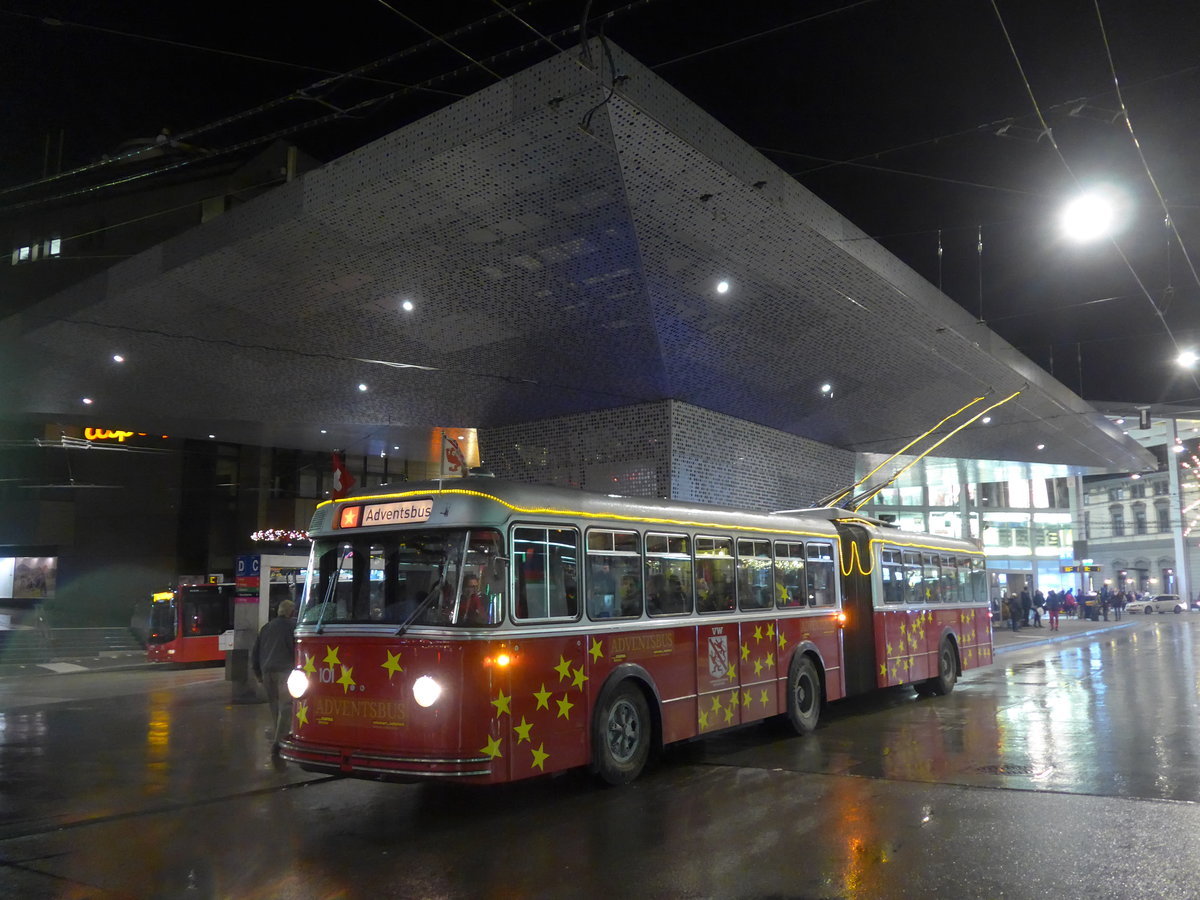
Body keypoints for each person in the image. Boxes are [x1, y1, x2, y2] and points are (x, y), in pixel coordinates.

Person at [252, 598, 296, 766]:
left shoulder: (266, 628)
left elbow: (256, 651)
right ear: (291, 612)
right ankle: (278, 744)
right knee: (287, 707)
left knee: (275, 707)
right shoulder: (292, 627)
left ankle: (280, 736)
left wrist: (258, 673)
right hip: (284, 672)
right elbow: (295, 650)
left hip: (266, 672)